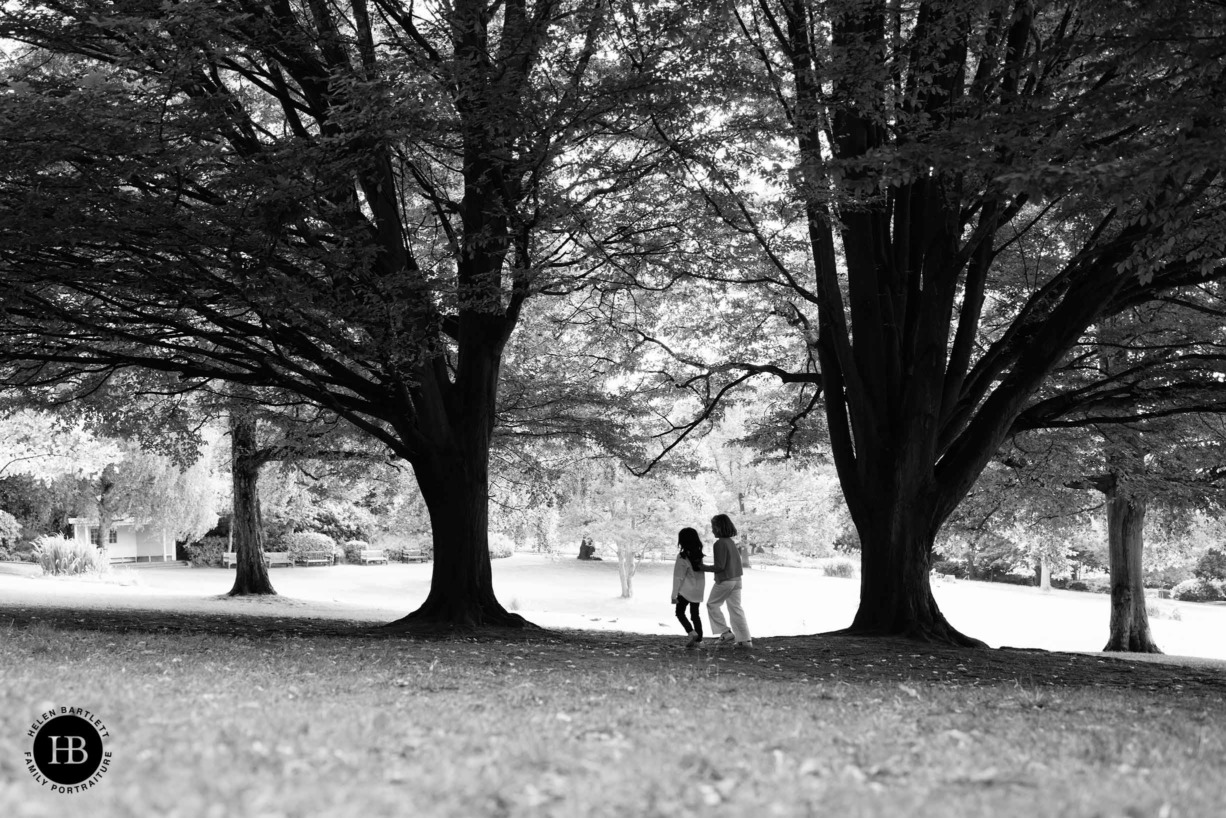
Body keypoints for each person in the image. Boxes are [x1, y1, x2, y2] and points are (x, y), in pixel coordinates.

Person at [703, 513, 752, 649]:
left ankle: (725, 632)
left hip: (726, 580)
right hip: (737, 580)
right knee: (736, 609)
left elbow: (719, 566)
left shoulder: (720, 544)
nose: (712, 530)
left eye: (713, 527)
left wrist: (701, 567)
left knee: (712, 604)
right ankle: (745, 640)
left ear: (719, 527)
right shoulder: (731, 542)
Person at [670, 528, 707, 649]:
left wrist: (674, 595)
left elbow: (678, 577)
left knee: (679, 613)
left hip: (685, 591)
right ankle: (699, 640)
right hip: (697, 591)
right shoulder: (698, 555)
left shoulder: (682, 557)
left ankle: (691, 632)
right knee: (695, 615)